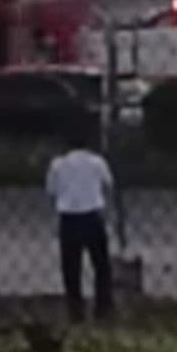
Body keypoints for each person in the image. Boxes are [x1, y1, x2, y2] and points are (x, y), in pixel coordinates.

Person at [45, 116, 114, 322]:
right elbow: (108, 185)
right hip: (92, 215)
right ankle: (103, 306)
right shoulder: (97, 162)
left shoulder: (58, 165)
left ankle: (75, 309)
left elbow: (51, 191)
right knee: (101, 264)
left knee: (71, 266)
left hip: (69, 218)